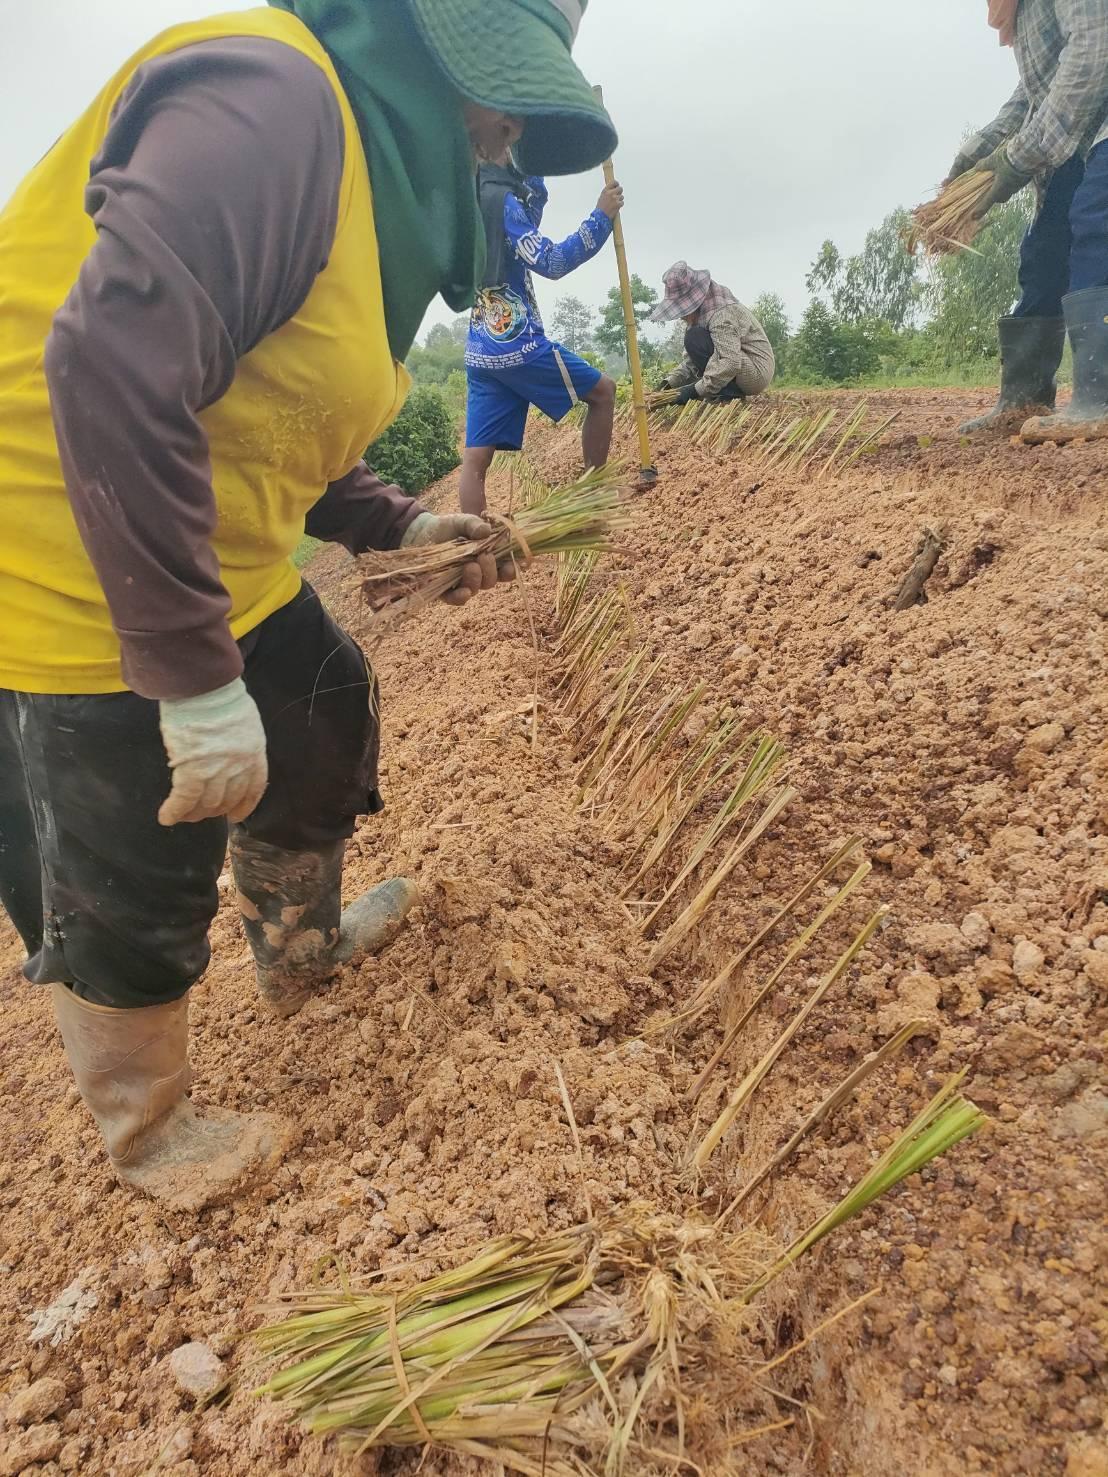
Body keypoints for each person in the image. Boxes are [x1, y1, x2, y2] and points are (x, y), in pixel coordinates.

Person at [0, 0, 615, 1212]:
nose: (500, 131)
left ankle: (297, 943)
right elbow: (113, 365)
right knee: (132, 854)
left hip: (197, 535)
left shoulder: (372, 215)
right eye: (494, 97)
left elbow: (275, 397)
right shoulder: (274, 101)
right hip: (60, 537)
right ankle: (150, 1130)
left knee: (323, 703)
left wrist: (398, 522)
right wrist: (185, 674)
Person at [949, 0, 1108, 440]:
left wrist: (1018, 159)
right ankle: (1024, 399)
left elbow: (1093, 53)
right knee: (1043, 250)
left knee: (1097, 223)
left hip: (1098, 124)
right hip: (1078, 136)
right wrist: (984, 145)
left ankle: (1101, 397)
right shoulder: (1027, 8)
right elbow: (1033, 93)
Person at [458, 164, 622, 514]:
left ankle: (468, 544)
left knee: (476, 458)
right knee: (603, 392)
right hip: (519, 348)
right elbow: (553, 261)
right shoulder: (504, 204)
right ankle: (593, 498)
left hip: (480, 350)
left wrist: (532, 182)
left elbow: (529, 217)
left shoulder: (468, 201)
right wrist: (600, 217)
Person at [650, 262, 775, 404]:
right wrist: (669, 384)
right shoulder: (702, 316)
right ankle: (723, 392)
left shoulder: (720, 314)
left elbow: (730, 361)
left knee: (694, 338)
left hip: (756, 373)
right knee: (693, 338)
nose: (681, 316)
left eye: (682, 310)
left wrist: (692, 391)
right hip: (742, 363)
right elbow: (692, 361)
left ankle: (728, 396)